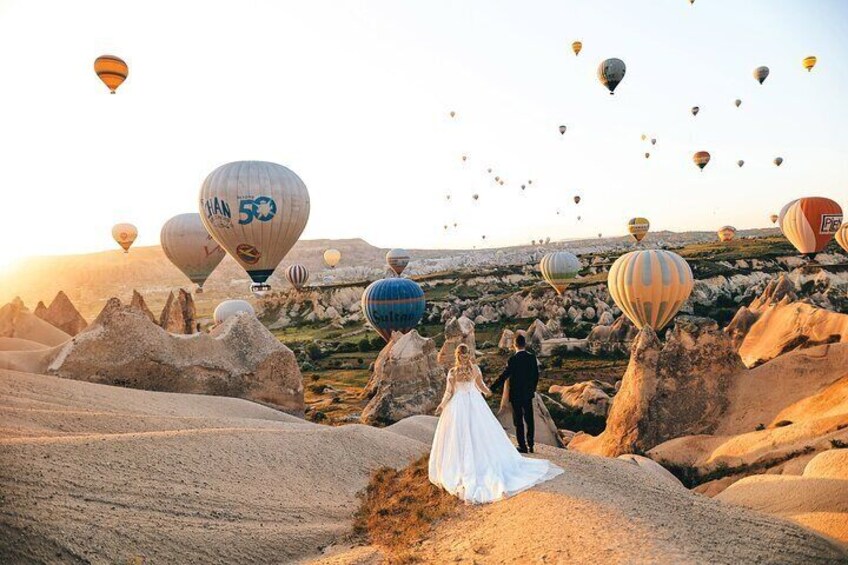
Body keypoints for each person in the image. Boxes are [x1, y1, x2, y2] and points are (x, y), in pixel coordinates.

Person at [428, 343, 562, 504]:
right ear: (469, 354)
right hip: (475, 403)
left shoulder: (452, 372)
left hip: (458, 405)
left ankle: (460, 465)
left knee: (459, 435)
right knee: (482, 433)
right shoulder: (475, 369)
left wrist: (442, 405)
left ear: (456, 355)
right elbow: (481, 386)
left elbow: (449, 392)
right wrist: (488, 392)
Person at [489, 333, 539, 453]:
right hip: (527, 393)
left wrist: (492, 388)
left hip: (516, 394)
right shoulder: (532, 358)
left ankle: (522, 446)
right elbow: (536, 376)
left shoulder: (513, 359)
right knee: (529, 419)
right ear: (524, 344)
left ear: (514, 345)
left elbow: (504, 375)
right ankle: (531, 444)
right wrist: (532, 389)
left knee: (518, 421)